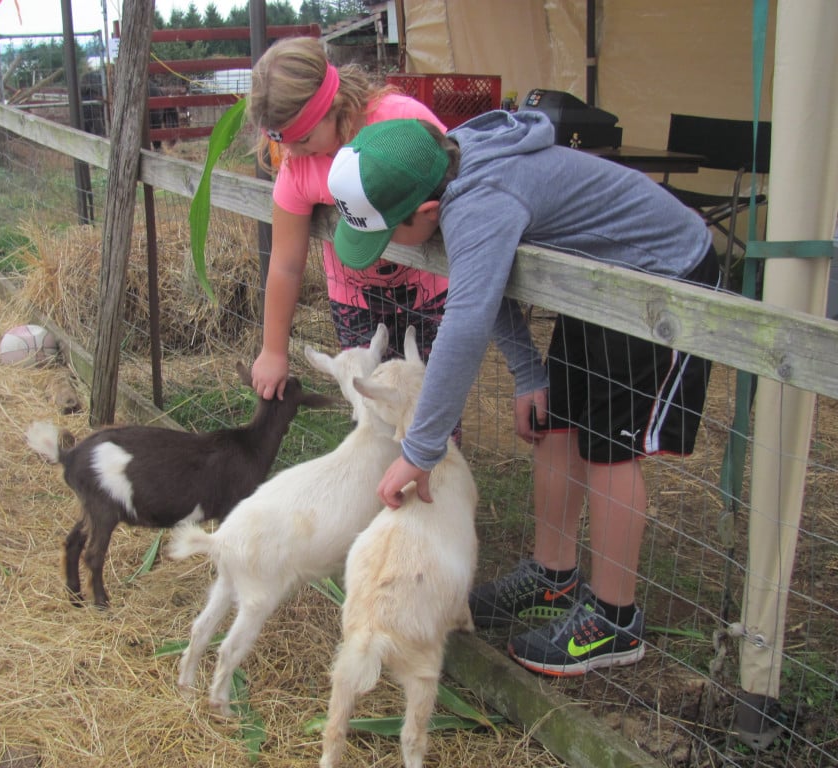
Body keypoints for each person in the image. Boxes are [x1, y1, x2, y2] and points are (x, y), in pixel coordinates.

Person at [325, 113, 718, 677]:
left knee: (610, 447)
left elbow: (465, 318)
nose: (385, 251)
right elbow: (488, 277)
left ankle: (615, 619)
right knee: (557, 419)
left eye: (387, 234)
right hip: (594, 281)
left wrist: (419, 450)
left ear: (428, 212)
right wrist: (530, 372)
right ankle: (553, 577)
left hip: (659, 283)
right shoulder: (450, 169)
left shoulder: (479, 202)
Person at [246, 37, 449, 401]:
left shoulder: (402, 124)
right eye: (283, 142)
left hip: (427, 293)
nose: (291, 152)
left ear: (331, 106)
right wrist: (273, 350)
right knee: (370, 410)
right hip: (356, 300)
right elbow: (286, 263)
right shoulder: (299, 165)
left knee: (430, 409)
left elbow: (455, 191)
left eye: (302, 138)